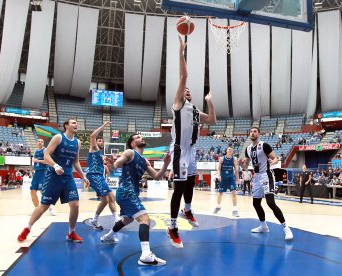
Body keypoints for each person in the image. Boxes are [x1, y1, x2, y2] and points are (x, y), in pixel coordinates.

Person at [167, 36, 217, 248]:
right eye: (184, 89)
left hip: (192, 150)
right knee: (178, 188)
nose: (186, 90)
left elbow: (213, 120)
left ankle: (187, 209)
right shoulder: (178, 104)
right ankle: (172, 226)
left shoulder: (195, 110)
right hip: (179, 150)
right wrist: (180, 53)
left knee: (190, 183)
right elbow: (184, 75)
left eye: (188, 90)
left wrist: (209, 102)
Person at [100, 134, 170, 266]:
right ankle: (145, 255)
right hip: (127, 192)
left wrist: (166, 164)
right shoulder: (130, 152)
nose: (141, 137)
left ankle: (108, 237)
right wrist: (113, 164)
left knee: (128, 219)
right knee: (145, 219)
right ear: (132, 144)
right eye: (137, 137)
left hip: (128, 194)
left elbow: (156, 176)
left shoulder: (144, 161)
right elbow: (117, 164)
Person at [17, 119, 89, 243]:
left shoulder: (77, 142)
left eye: (77, 123)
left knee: (75, 205)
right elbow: (46, 155)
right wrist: (55, 166)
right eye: (73, 123)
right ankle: (27, 229)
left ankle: (71, 233)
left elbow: (76, 162)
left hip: (68, 177)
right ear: (66, 126)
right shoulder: (58, 138)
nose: (76, 124)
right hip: (53, 176)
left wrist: (83, 176)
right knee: (44, 206)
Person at [241, 127, 293, 241]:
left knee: (270, 203)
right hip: (257, 177)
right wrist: (242, 165)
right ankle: (263, 226)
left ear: (259, 134)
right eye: (251, 131)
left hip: (266, 175)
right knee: (256, 203)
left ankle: (286, 228)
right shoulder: (248, 149)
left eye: (255, 131)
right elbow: (246, 166)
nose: (252, 133)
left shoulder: (264, 145)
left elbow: (275, 158)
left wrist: (272, 161)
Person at [86, 122, 119, 230]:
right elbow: (92, 136)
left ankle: (116, 219)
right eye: (99, 140)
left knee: (111, 197)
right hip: (94, 176)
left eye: (102, 141)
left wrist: (108, 163)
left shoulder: (101, 153)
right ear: (95, 142)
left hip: (100, 176)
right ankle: (94, 220)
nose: (101, 142)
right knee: (105, 200)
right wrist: (104, 126)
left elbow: (108, 167)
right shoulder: (93, 148)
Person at [30, 139, 56, 215]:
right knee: (32, 191)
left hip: (43, 172)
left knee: (43, 191)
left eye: (42, 141)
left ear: (43, 143)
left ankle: (51, 207)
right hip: (36, 172)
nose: (40, 142)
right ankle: (36, 209)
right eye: (39, 141)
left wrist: (37, 160)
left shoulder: (45, 150)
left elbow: (47, 161)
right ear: (36, 142)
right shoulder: (35, 151)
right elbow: (34, 162)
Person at [213, 146, 239, 217]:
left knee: (233, 193)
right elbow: (219, 169)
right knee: (220, 193)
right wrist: (219, 175)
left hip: (231, 178)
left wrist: (237, 179)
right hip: (223, 178)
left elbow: (236, 170)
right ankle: (218, 207)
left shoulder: (234, 159)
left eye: (231, 149)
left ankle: (235, 210)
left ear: (232, 152)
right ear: (226, 150)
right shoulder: (221, 158)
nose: (230, 150)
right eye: (228, 149)